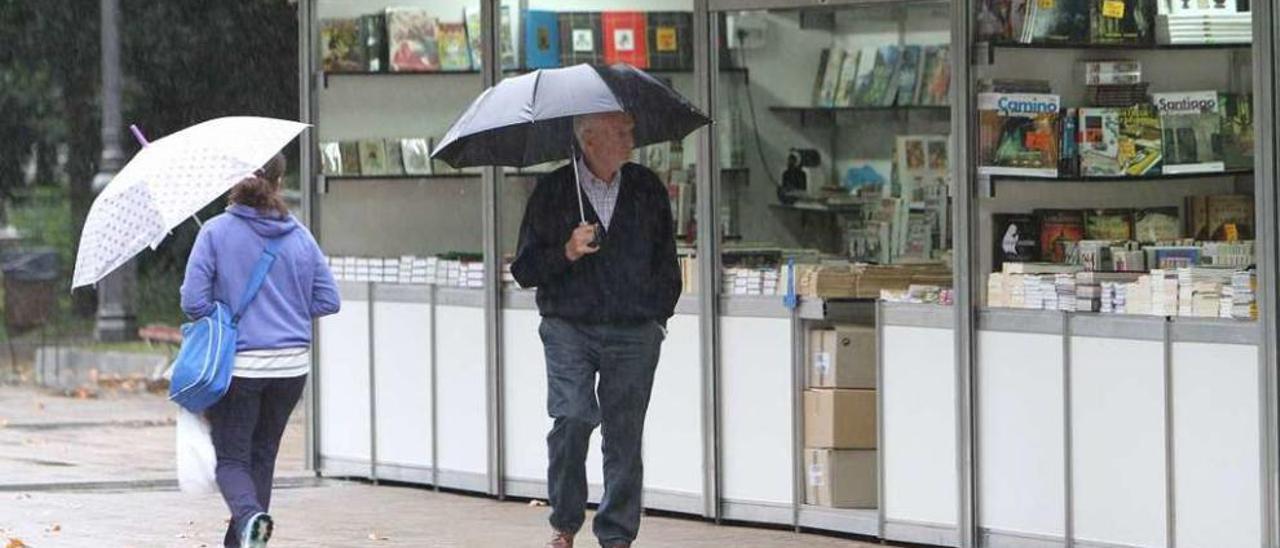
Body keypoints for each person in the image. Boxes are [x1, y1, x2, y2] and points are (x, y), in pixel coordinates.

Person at [511, 111, 682, 548]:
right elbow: (525, 269)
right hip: (570, 325)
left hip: (633, 329)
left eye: (629, 130)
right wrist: (567, 250)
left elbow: (666, 258)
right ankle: (565, 521)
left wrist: (657, 316)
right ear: (589, 140)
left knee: (624, 433)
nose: (630, 139)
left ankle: (617, 535)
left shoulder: (646, 188)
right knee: (572, 416)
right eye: (620, 133)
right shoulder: (553, 192)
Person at [180, 153, 341, 547]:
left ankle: (252, 518)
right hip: (291, 369)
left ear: (233, 182)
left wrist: (231, 312)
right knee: (262, 456)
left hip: (242, 367)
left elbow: (192, 302)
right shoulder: (299, 234)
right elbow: (328, 300)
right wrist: (286, 311)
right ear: (280, 182)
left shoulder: (215, 233)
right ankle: (246, 539)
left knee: (232, 459)